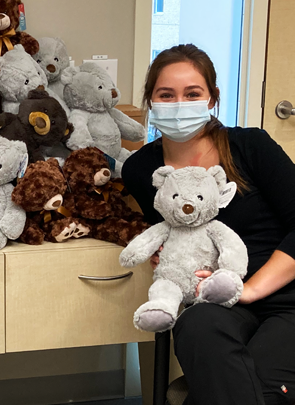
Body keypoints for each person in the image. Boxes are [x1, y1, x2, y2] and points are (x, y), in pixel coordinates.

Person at [122, 44, 295, 405]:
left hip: (284, 296)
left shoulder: (250, 146)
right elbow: (172, 230)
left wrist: (250, 289)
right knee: (194, 327)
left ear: (212, 99)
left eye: (192, 94)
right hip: (216, 301)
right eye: (166, 95)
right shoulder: (141, 170)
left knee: (257, 388)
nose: (179, 104)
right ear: (150, 101)